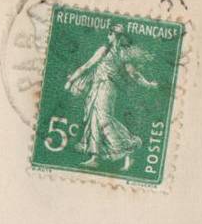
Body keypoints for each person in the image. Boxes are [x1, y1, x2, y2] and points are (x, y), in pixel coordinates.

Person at [64, 23, 158, 172]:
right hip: (97, 88)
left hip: (107, 88)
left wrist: (148, 85)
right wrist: (71, 80)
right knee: (94, 118)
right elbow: (87, 66)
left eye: (110, 33)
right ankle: (95, 157)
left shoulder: (119, 53)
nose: (108, 35)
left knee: (103, 118)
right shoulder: (111, 51)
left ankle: (127, 145)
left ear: (115, 36)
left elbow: (133, 73)